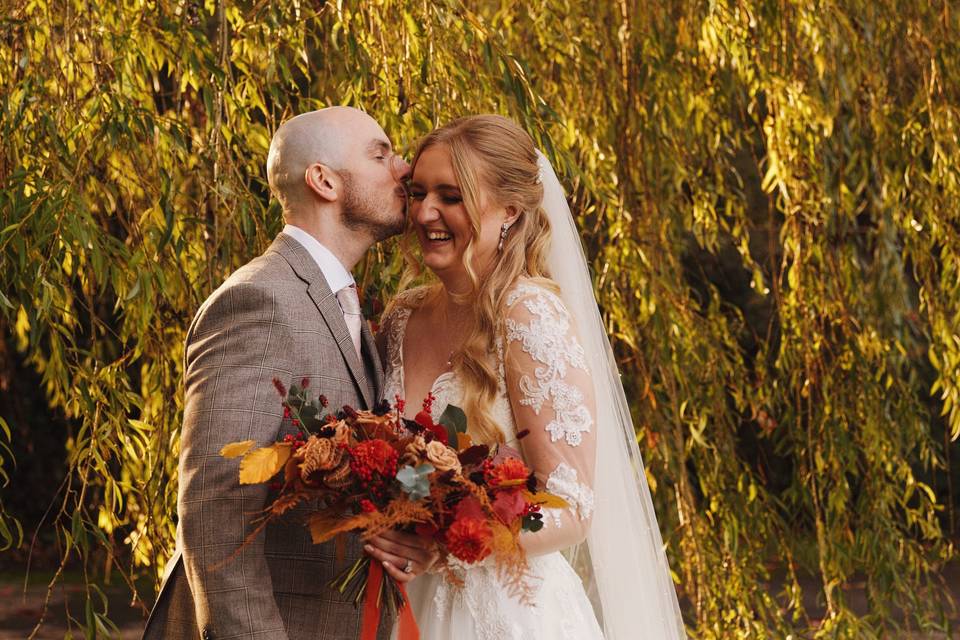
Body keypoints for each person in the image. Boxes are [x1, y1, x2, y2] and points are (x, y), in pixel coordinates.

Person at [378, 115, 687, 639]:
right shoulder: (400, 318)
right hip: (398, 600)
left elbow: (570, 503)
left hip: (502, 610)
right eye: (418, 191)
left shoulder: (527, 316)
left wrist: (446, 541)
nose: (425, 211)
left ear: (510, 212)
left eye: (451, 196)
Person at [142, 107, 438, 640]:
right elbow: (215, 505)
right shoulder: (258, 300)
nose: (404, 168)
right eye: (380, 153)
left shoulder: (346, 302)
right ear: (323, 180)